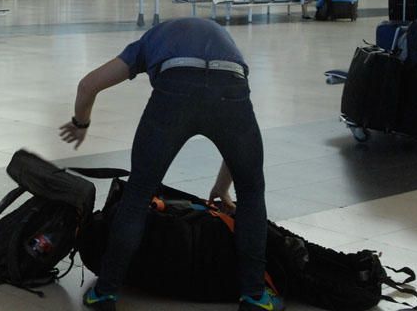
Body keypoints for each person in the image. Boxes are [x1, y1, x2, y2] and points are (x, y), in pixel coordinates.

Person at [60, 18, 281, 311]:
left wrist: (81, 122)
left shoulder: (150, 41)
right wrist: (221, 187)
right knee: (252, 195)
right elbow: (238, 132)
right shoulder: (226, 44)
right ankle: (254, 296)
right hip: (232, 88)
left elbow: (88, 85)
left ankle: (105, 292)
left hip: (173, 94)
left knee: (138, 195)